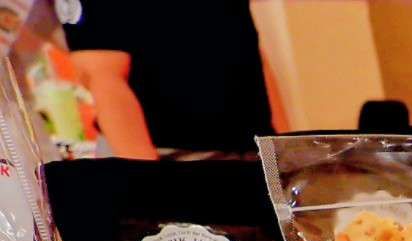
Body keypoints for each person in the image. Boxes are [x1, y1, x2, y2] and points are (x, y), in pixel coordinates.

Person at [63, 0, 285, 157]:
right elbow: (103, 78)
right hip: (168, 153)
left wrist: (286, 148)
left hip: (254, 149)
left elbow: (246, 49)